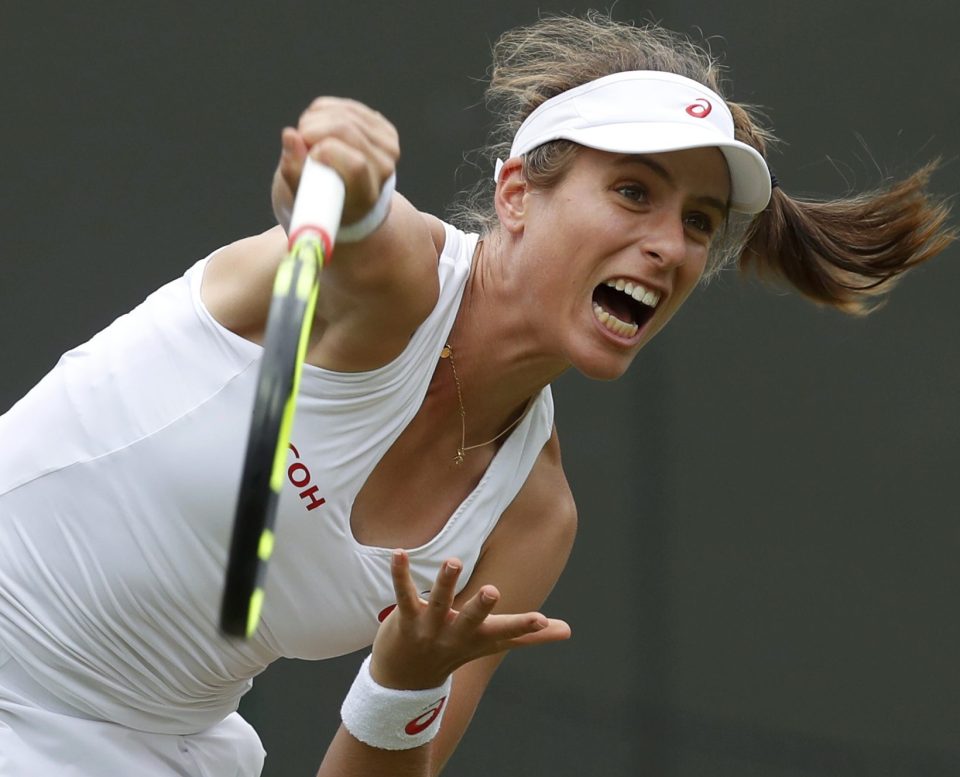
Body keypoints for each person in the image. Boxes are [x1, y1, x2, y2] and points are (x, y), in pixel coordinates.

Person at [0, 11, 953, 777]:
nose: (670, 245)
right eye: (633, 193)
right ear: (515, 195)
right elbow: (346, 227)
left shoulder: (531, 517)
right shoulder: (401, 279)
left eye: (699, 222)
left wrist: (402, 680)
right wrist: (343, 174)